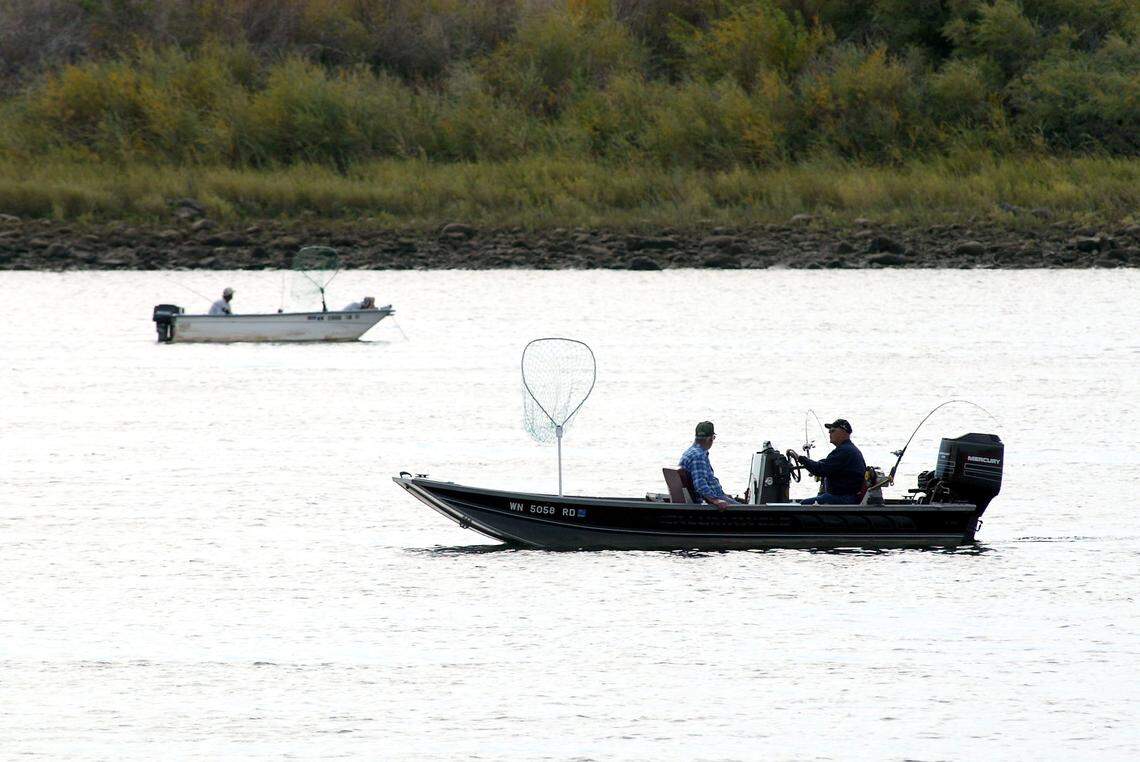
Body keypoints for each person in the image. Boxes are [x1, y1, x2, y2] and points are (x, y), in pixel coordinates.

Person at [791, 418, 866, 505]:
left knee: (804, 504)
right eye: (829, 431)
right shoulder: (848, 450)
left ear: (843, 432)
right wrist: (809, 463)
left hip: (844, 498)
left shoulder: (844, 451)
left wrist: (800, 458)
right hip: (849, 496)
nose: (829, 433)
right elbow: (826, 464)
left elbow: (821, 469)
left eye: (833, 430)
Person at [679, 421, 738, 510]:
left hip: (716, 496)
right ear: (709, 439)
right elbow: (700, 484)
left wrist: (723, 495)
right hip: (712, 502)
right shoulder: (698, 456)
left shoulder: (690, 452)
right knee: (750, 510)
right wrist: (716, 500)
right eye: (713, 438)